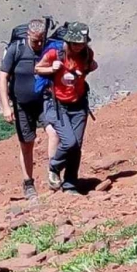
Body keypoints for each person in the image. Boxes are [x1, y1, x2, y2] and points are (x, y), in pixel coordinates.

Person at [38, 22, 97, 194]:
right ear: (69, 41)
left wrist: (89, 68)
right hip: (58, 105)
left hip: (78, 104)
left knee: (76, 146)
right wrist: (50, 68)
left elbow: (90, 66)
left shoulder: (87, 54)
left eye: (82, 43)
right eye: (76, 43)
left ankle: (71, 183)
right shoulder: (55, 53)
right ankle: (54, 167)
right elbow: (38, 68)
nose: (79, 46)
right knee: (69, 142)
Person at [0, 19, 50, 201]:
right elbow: (3, 77)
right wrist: (6, 106)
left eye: (41, 40)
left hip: (44, 101)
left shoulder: (47, 48)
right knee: (27, 144)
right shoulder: (16, 49)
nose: (38, 44)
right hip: (22, 104)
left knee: (55, 132)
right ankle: (28, 183)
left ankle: (54, 173)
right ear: (28, 34)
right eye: (35, 40)